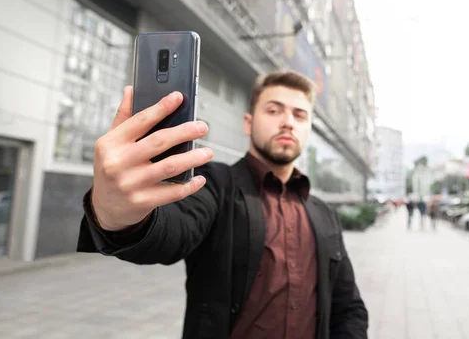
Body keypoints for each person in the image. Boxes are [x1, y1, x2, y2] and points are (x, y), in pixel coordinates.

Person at [77, 70, 368, 339]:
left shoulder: (323, 214)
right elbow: (171, 231)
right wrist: (117, 215)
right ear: (248, 122)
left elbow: (348, 307)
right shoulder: (214, 185)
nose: (288, 121)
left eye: (299, 115)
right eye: (274, 110)